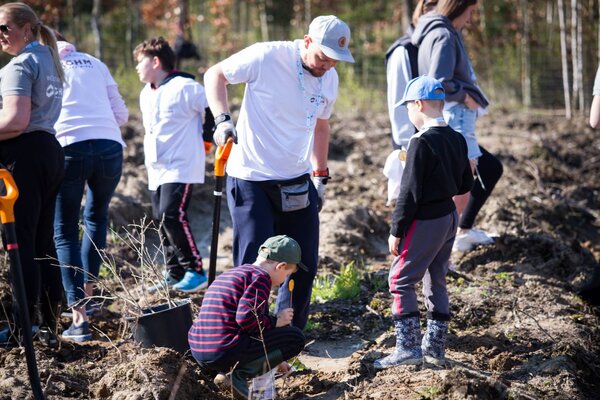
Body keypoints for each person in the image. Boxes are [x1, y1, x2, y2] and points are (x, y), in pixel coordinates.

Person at [203, 15, 355, 329]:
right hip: (251, 178)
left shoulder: (329, 78)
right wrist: (221, 120)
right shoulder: (267, 56)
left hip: (297, 179)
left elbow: (321, 126)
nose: (327, 65)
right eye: (323, 56)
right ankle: (247, 335)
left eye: (335, 60)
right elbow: (215, 74)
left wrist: (320, 175)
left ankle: (288, 336)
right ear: (307, 41)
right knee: (253, 265)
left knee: (303, 263)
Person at [374, 76, 473, 369]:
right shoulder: (457, 137)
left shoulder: (420, 141)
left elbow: (409, 192)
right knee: (436, 278)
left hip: (426, 220)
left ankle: (407, 348)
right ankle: (434, 348)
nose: (409, 115)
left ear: (418, 104)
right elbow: (465, 183)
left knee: (400, 279)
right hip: (448, 217)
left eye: (408, 109)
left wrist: (396, 230)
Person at [52, 33, 129, 342]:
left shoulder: (44, 65)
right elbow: (121, 115)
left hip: (69, 148)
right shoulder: (95, 63)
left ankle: (79, 317)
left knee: (65, 229)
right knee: (96, 219)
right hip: (110, 147)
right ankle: (90, 294)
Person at [412, 0, 503, 253]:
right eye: (471, 11)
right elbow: (440, 82)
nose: (471, 19)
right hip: (456, 114)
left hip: (453, 115)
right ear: (459, 6)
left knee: (477, 172)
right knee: (464, 182)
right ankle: (444, 245)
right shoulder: (443, 35)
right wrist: (464, 96)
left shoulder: (438, 32)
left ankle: (448, 239)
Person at [0, 2, 65, 347]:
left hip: (23, 157)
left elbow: (15, 121)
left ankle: (19, 328)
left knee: (18, 243)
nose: (0, 35)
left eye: (4, 27)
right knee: (43, 243)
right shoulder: (48, 59)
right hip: (50, 152)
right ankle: (51, 325)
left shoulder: (20, 65)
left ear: (26, 28)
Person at [133, 37, 213, 293]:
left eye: (140, 62)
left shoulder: (185, 87)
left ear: (156, 61)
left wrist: (208, 139)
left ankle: (195, 270)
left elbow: (211, 109)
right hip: (156, 166)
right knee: (160, 218)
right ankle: (174, 271)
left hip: (181, 164)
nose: (136, 68)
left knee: (172, 214)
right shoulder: (147, 93)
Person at [189, 235, 306, 399]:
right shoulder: (261, 278)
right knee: (295, 337)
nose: (284, 281)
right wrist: (277, 321)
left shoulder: (232, 274)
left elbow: (247, 326)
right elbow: (246, 319)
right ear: (281, 266)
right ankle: (236, 376)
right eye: (287, 275)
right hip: (224, 350)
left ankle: (224, 373)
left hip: (200, 350)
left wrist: (275, 358)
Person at [386, 0, 438, 150]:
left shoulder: (438, 46)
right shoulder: (404, 51)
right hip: (415, 143)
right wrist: (407, 147)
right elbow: (399, 103)